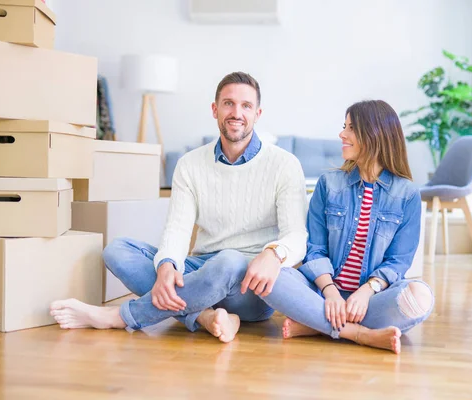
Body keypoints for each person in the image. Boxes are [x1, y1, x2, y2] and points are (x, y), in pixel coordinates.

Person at [49, 72, 308, 342]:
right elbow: (178, 228)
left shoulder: (284, 165)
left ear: (257, 113)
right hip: (200, 270)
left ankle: (120, 317)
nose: (236, 113)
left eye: (246, 106)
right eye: (228, 103)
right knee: (117, 250)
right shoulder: (190, 164)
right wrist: (167, 264)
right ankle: (204, 316)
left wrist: (274, 255)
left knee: (229, 260)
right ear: (214, 109)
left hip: (250, 284)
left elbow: (297, 236)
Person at [262, 100, 434, 353]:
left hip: (371, 298)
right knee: (270, 276)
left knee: (420, 296)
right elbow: (315, 249)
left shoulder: (407, 194)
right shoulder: (329, 184)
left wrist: (366, 292)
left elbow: (398, 261)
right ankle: (358, 333)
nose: (342, 134)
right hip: (323, 292)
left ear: (375, 134)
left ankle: (315, 324)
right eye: (345, 127)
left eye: (351, 128)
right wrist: (330, 291)